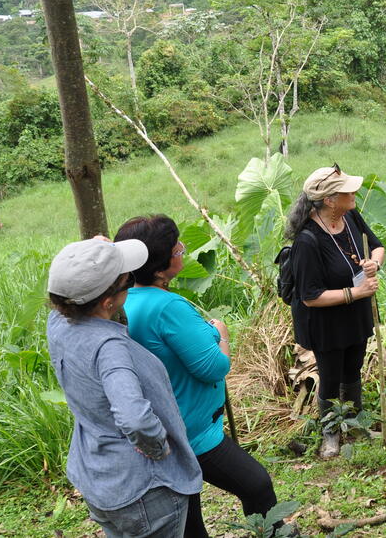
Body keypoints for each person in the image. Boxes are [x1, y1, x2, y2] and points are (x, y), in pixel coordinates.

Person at [115, 215, 282, 537]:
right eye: (176, 248)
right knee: (256, 485)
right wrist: (222, 335)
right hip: (191, 432)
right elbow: (212, 367)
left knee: (188, 513)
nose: (182, 248)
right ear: (160, 267)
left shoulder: (125, 304)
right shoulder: (167, 307)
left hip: (162, 426)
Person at [46, 238, 202, 537]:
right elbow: (134, 417)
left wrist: (92, 250)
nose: (132, 282)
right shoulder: (110, 348)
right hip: (144, 490)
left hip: (100, 479)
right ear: (108, 302)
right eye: (127, 279)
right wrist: (158, 446)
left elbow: (67, 286)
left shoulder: (59, 324)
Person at [284, 164, 384, 458]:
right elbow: (310, 297)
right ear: (329, 200)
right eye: (347, 191)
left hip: (356, 312)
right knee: (330, 375)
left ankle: (355, 421)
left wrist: (373, 264)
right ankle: (330, 431)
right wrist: (355, 292)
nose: (354, 192)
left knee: (353, 367)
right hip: (326, 321)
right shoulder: (308, 241)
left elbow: (377, 247)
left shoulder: (350, 214)